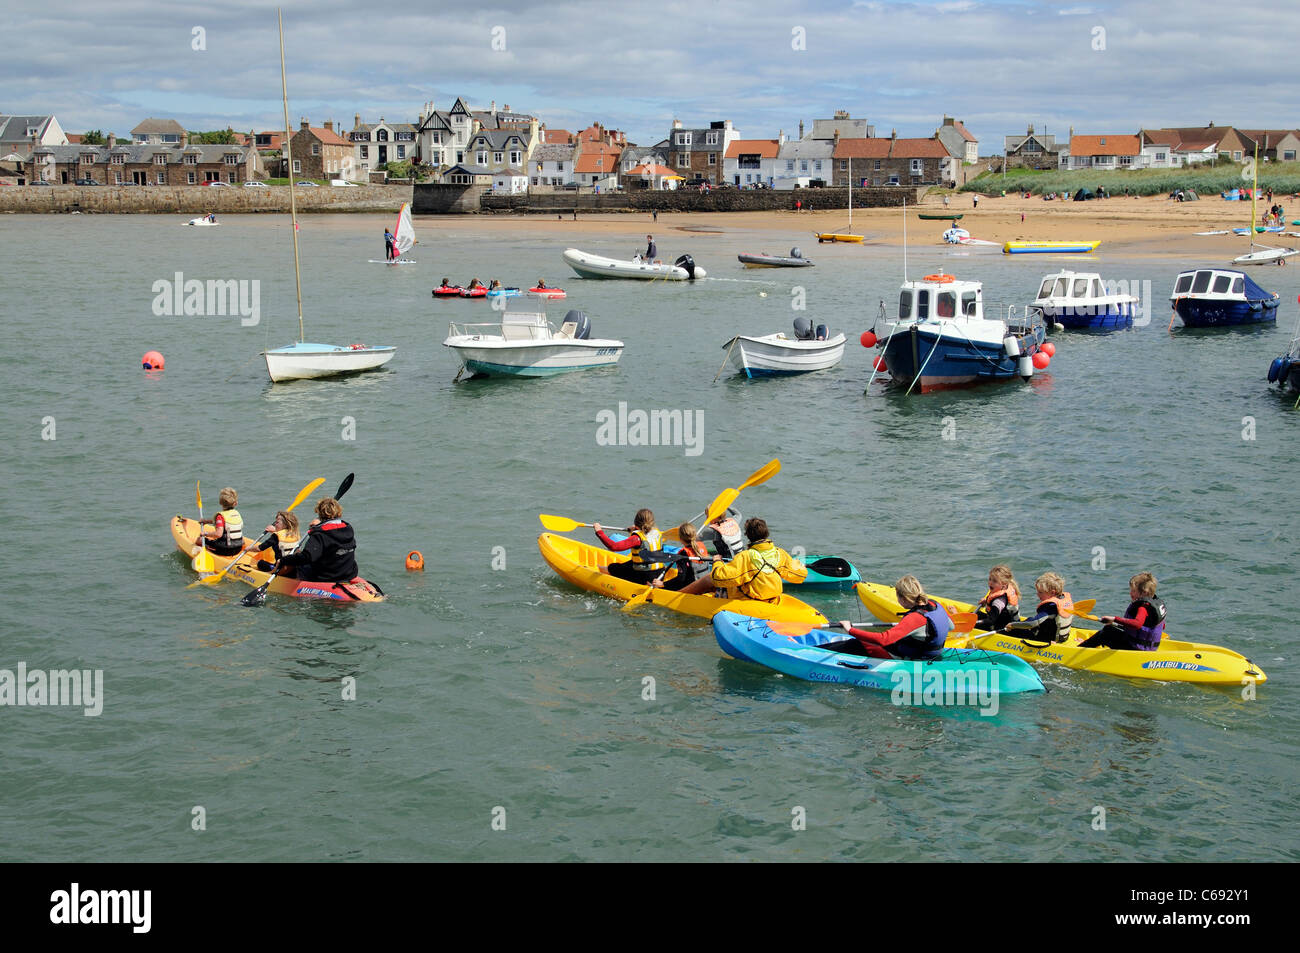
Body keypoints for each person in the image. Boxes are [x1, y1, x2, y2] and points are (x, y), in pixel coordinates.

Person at [678, 518, 806, 600]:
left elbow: (720, 578)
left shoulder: (746, 556)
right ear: (766, 533)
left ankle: (678, 595)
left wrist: (717, 562)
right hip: (771, 595)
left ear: (748, 536)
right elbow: (800, 575)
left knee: (709, 579)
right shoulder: (780, 553)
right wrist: (799, 563)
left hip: (749, 597)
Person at [837, 575, 953, 660]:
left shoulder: (915, 618)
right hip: (932, 655)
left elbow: (883, 639)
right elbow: (951, 626)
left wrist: (850, 629)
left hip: (907, 658)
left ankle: (819, 652)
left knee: (854, 644)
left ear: (903, 598)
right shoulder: (936, 605)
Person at [263, 497, 359, 583]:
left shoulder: (320, 534)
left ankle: (292, 584)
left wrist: (285, 560)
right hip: (349, 573)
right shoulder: (347, 528)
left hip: (326, 577)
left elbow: (307, 557)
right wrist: (317, 527)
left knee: (296, 562)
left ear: (319, 513)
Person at [1078, 572, 1166, 651]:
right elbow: (1161, 626)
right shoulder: (1154, 605)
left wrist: (1114, 619)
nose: (1130, 593)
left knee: (1107, 632)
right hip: (1148, 648)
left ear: (1144, 593)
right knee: (1111, 629)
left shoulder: (1142, 608)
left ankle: (1081, 648)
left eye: (1133, 591)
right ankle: (1090, 644)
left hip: (1136, 648)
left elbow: (1137, 624)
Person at [593, 510, 668, 586]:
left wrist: (599, 532)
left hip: (644, 576)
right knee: (630, 564)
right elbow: (646, 535)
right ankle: (605, 568)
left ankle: (604, 570)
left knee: (614, 567)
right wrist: (635, 530)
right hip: (660, 574)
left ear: (636, 523)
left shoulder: (636, 538)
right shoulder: (657, 533)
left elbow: (613, 546)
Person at [1003, 572, 1074, 643]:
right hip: (1062, 638)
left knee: (1013, 630)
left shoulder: (1050, 606)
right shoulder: (1062, 600)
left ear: (1052, 592)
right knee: (1029, 619)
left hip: (1045, 640)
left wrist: (1012, 625)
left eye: (1040, 592)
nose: (1037, 594)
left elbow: (1032, 623)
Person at [660, 523, 720, 591]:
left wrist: (663, 584)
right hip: (706, 584)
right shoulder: (701, 545)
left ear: (680, 538)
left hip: (693, 588)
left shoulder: (683, 553)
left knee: (661, 587)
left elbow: (680, 580)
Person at [196, 487, 245, 557]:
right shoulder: (236, 514)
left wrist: (205, 533)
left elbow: (218, 534)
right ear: (235, 503)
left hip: (225, 550)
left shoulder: (220, 516)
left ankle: (207, 550)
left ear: (220, 502)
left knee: (200, 539)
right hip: (238, 548)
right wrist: (206, 521)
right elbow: (226, 522)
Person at [975, 565, 1021, 631]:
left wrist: (974, 623)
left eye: (994, 581)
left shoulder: (998, 602)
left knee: (974, 620)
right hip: (999, 620)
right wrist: (986, 600)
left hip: (1000, 628)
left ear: (1004, 584)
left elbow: (991, 621)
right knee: (976, 614)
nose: (990, 583)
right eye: (990, 579)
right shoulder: (1005, 587)